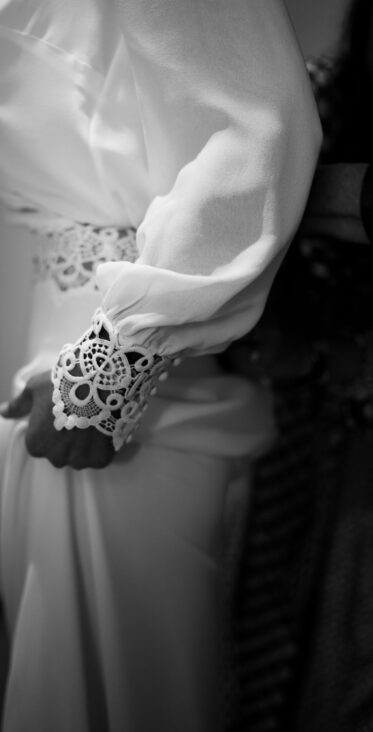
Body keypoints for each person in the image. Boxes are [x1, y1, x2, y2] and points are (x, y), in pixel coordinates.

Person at [0, 1, 320, 730]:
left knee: (138, 696)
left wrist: (108, 374)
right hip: (66, 369)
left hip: (136, 400)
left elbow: (253, 136)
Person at [225, 1, 373, 729]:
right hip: (297, 399)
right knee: (274, 601)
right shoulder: (314, 98)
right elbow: (241, 215)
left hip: (342, 391)